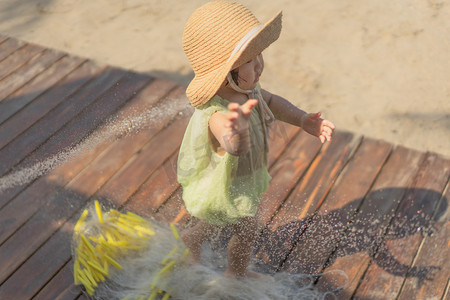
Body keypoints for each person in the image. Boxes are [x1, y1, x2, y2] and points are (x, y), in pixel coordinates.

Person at [178, 0, 335, 278]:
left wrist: (302, 119)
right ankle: (236, 274)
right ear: (225, 76)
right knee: (247, 230)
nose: (259, 65)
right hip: (225, 186)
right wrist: (237, 133)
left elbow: (272, 101)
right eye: (249, 61)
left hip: (242, 179)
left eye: (258, 55)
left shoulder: (249, 90)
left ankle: (192, 239)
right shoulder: (217, 114)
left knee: (215, 223)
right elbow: (231, 146)